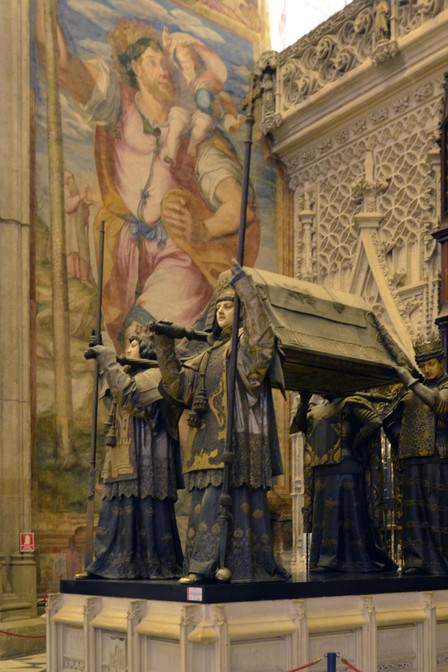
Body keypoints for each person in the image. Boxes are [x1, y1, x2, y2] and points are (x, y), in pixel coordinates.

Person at [36, 6, 259, 350]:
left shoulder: (193, 135)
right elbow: (64, 68)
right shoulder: (117, 107)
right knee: (134, 344)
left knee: (143, 337)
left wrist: (203, 230)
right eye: (153, 62)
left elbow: (241, 208)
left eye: (166, 63)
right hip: (127, 255)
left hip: (178, 253)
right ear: (135, 68)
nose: (165, 72)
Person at [150, 261, 288, 583]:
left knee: (229, 504)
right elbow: (178, 387)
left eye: (229, 305)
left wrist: (249, 297)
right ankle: (203, 565)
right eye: (219, 307)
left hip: (236, 441)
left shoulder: (244, 347)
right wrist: (165, 347)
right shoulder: (209, 355)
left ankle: (234, 565)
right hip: (206, 445)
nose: (221, 311)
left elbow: (262, 349)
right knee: (203, 508)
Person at [383, 337, 448, 575]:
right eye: (422, 366)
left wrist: (410, 381)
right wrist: (400, 435)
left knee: (437, 511)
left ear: (442, 362)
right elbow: (389, 418)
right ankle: (418, 561)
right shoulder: (411, 393)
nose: (426, 370)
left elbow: (440, 404)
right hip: (412, 458)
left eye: (431, 364)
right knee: (415, 513)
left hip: (438, 455)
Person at [82, 332, 184, 579]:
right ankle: (112, 563)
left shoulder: (156, 376)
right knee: (116, 509)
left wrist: (107, 358)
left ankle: (152, 565)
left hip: (147, 454)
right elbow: (113, 398)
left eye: (134, 345)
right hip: (122, 456)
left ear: (148, 350)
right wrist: (104, 363)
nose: (127, 349)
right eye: (126, 344)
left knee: (147, 509)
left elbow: (131, 398)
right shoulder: (129, 376)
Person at [292, 392, 398, 573]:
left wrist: (355, 442)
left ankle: (351, 560)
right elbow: (296, 427)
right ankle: (326, 560)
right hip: (322, 469)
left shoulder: (351, 402)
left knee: (347, 514)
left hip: (346, 467)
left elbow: (374, 422)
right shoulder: (315, 410)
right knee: (326, 518)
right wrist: (303, 399)